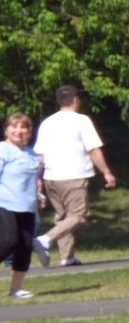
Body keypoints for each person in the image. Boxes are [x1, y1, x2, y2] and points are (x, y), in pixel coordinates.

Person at [32, 86, 116, 267]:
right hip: (74, 175)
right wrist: (106, 172)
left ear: (58, 101)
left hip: (51, 177)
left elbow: (40, 155)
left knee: (63, 217)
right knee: (78, 215)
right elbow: (92, 149)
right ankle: (45, 239)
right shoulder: (81, 121)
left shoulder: (47, 123)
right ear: (76, 100)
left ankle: (67, 257)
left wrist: (38, 178)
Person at [1, 113, 43, 299]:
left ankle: (16, 289)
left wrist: (39, 195)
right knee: (8, 241)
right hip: (5, 205)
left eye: (23, 127)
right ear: (6, 130)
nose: (19, 131)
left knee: (24, 247)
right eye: (14, 127)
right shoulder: (3, 150)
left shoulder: (32, 154)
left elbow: (32, 181)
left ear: (29, 131)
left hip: (27, 207)